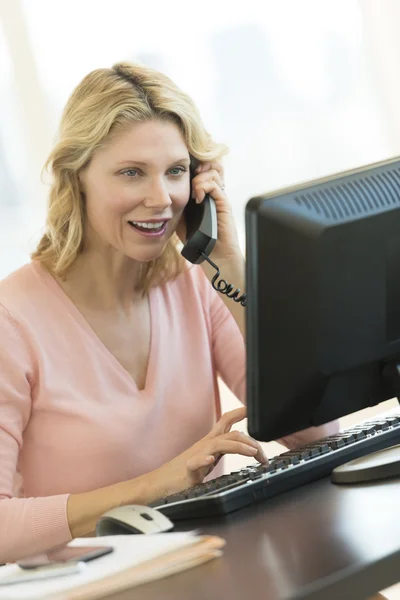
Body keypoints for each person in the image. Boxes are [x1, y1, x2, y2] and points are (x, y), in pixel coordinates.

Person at [0, 62, 339, 565]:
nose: (162, 199)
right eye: (131, 172)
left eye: (176, 171)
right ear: (78, 178)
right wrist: (157, 484)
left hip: (219, 562)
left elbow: (312, 434)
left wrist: (227, 266)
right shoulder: (13, 320)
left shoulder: (197, 283)